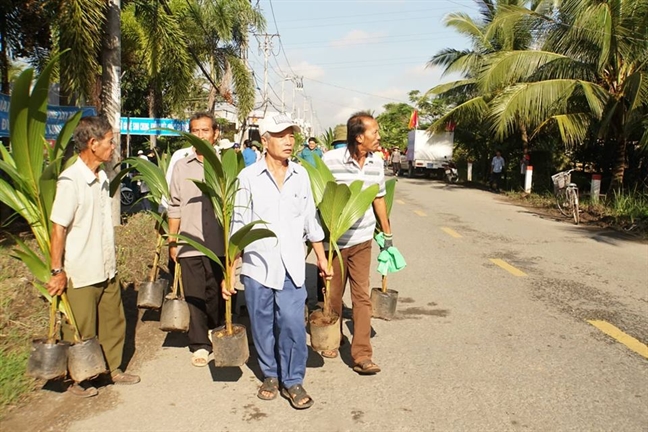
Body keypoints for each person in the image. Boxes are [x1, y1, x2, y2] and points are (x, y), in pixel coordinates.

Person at [223, 113, 331, 410]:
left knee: (293, 323)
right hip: (258, 266)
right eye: (281, 135)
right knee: (262, 323)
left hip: (293, 265)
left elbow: (311, 221)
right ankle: (271, 374)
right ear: (265, 140)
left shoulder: (301, 175)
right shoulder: (248, 177)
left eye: (291, 134)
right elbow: (239, 226)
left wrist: (322, 259)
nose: (289, 140)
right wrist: (230, 271)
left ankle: (293, 379)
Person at [47, 116, 140, 397]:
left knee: (113, 321)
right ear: (93, 143)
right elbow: (58, 228)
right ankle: (78, 378)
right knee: (80, 327)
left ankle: (112, 369)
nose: (112, 147)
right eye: (110, 142)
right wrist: (56, 271)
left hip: (106, 266)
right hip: (81, 269)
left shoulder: (101, 178)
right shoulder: (71, 180)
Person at [321, 111, 392, 375]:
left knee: (361, 296)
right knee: (334, 294)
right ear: (359, 136)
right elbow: (318, 197)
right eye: (374, 132)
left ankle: (362, 354)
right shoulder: (329, 161)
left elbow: (379, 199)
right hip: (335, 244)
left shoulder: (377, 162)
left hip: (362, 240)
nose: (379, 136)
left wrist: (387, 234)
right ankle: (334, 337)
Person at [167, 112, 228, 367]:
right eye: (196, 130)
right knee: (194, 293)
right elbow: (174, 205)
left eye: (205, 130)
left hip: (218, 242)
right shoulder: (182, 165)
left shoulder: (225, 165)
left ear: (215, 134)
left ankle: (214, 328)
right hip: (189, 239)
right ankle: (199, 343)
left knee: (214, 291)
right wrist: (172, 241)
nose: (201, 135)